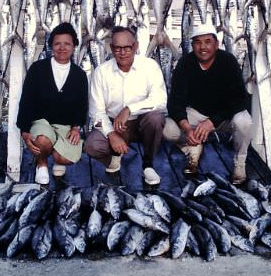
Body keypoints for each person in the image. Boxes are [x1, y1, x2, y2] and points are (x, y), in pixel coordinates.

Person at [164, 22, 253, 184]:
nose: (202, 47)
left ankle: (240, 162)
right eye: (197, 42)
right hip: (197, 113)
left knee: (244, 121)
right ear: (192, 45)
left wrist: (212, 122)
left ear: (216, 44)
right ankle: (191, 147)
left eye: (207, 42)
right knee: (168, 130)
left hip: (224, 116)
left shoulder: (229, 61)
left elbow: (240, 99)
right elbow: (175, 103)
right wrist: (186, 128)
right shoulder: (185, 63)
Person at [84, 26, 167, 186]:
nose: (122, 52)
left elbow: (161, 100)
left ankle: (148, 165)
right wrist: (111, 135)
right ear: (111, 48)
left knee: (156, 118)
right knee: (92, 146)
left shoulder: (150, 66)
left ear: (135, 46)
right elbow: (96, 112)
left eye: (127, 47)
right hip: (114, 124)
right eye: (117, 48)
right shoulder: (101, 72)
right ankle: (114, 158)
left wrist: (129, 109)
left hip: (142, 123)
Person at [17, 22, 88, 185]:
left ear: (74, 46)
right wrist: (25, 131)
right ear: (51, 46)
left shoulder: (80, 75)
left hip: (65, 127)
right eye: (57, 44)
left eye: (67, 44)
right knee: (42, 140)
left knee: (66, 158)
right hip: (41, 124)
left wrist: (76, 127)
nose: (62, 48)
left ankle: (57, 155)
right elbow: (26, 101)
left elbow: (81, 104)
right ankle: (41, 164)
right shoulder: (37, 69)